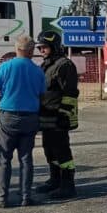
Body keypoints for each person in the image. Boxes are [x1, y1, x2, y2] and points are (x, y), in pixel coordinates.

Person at [0, 35, 45, 207]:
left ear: (17, 49)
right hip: (30, 117)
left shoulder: (6, 67)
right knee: (26, 158)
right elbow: (42, 95)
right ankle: (26, 196)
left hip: (8, 117)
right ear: (31, 51)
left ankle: (1, 198)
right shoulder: (38, 71)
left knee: (3, 158)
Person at [35, 30, 79, 199]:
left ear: (54, 46)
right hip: (46, 116)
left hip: (58, 117)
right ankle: (55, 179)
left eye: (44, 47)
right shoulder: (46, 64)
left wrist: (63, 114)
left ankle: (68, 185)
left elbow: (70, 93)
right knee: (49, 150)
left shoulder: (64, 65)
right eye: (40, 48)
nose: (42, 50)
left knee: (62, 151)